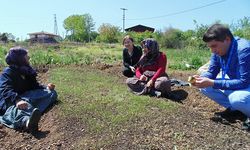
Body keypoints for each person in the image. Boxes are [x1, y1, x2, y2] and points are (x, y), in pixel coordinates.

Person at [191, 24, 250, 131]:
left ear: (227, 39)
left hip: (246, 84)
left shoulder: (244, 49)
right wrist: (201, 78)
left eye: (214, 46)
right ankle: (237, 111)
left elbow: (244, 82)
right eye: (210, 47)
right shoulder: (218, 51)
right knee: (204, 87)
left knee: (237, 99)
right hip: (240, 84)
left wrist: (213, 82)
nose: (212, 50)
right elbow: (211, 72)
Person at [0, 47, 57, 133]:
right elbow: (5, 89)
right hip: (10, 101)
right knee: (17, 110)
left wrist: (46, 87)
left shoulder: (27, 71)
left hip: (26, 97)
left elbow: (34, 86)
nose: (29, 58)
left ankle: (32, 110)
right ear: (19, 59)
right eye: (26, 56)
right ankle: (27, 123)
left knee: (52, 93)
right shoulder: (8, 72)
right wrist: (17, 100)